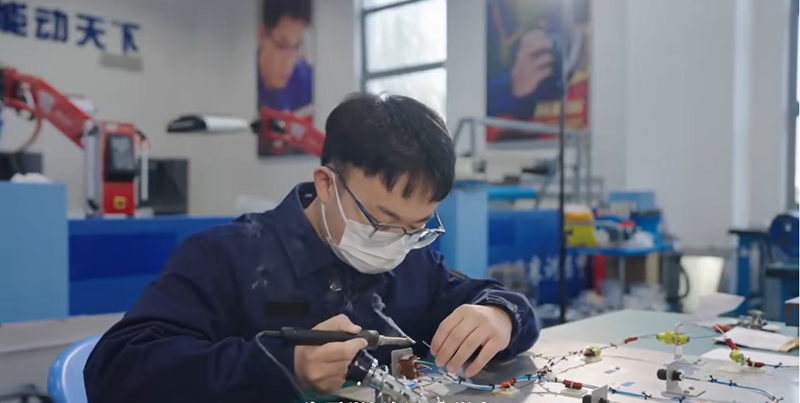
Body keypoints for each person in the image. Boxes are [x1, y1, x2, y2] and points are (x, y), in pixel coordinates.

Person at [83, 93, 540, 403]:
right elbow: (115, 369)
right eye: (382, 221)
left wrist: (500, 316)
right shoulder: (225, 258)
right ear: (326, 183)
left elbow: (499, 303)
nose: (396, 242)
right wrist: (283, 365)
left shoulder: (411, 261)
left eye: (416, 227)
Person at [257, 0, 313, 156]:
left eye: (295, 48)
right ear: (261, 35)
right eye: (282, 46)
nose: (288, 62)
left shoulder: (305, 79)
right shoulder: (245, 84)